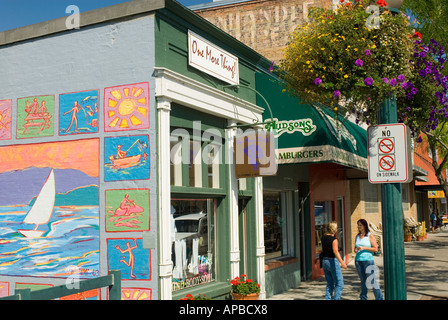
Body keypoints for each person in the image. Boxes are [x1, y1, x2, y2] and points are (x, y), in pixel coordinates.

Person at [354, 219, 383, 300]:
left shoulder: (370, 236)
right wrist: (356, 249)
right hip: (358, 261)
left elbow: (376, 249)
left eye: (360, 225)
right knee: (363, 281)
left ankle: (379, 298)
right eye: (358, 225)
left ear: (364, 226)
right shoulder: (357, 236)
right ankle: (363, 298)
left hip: (368, 261)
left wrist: (364, 248)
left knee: (372, 280)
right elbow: (355, 248)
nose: (359, 227)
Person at [321, 221, 347, 300]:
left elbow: (323, 249)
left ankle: (328, 298)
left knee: (330, 283)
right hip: (332, 261)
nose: (337, 229)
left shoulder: (323, 238)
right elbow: (335, 251)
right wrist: (342, 262)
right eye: (336, 228)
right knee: (339, 283)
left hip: (325, 261)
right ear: (334, 229)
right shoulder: (334, 239)